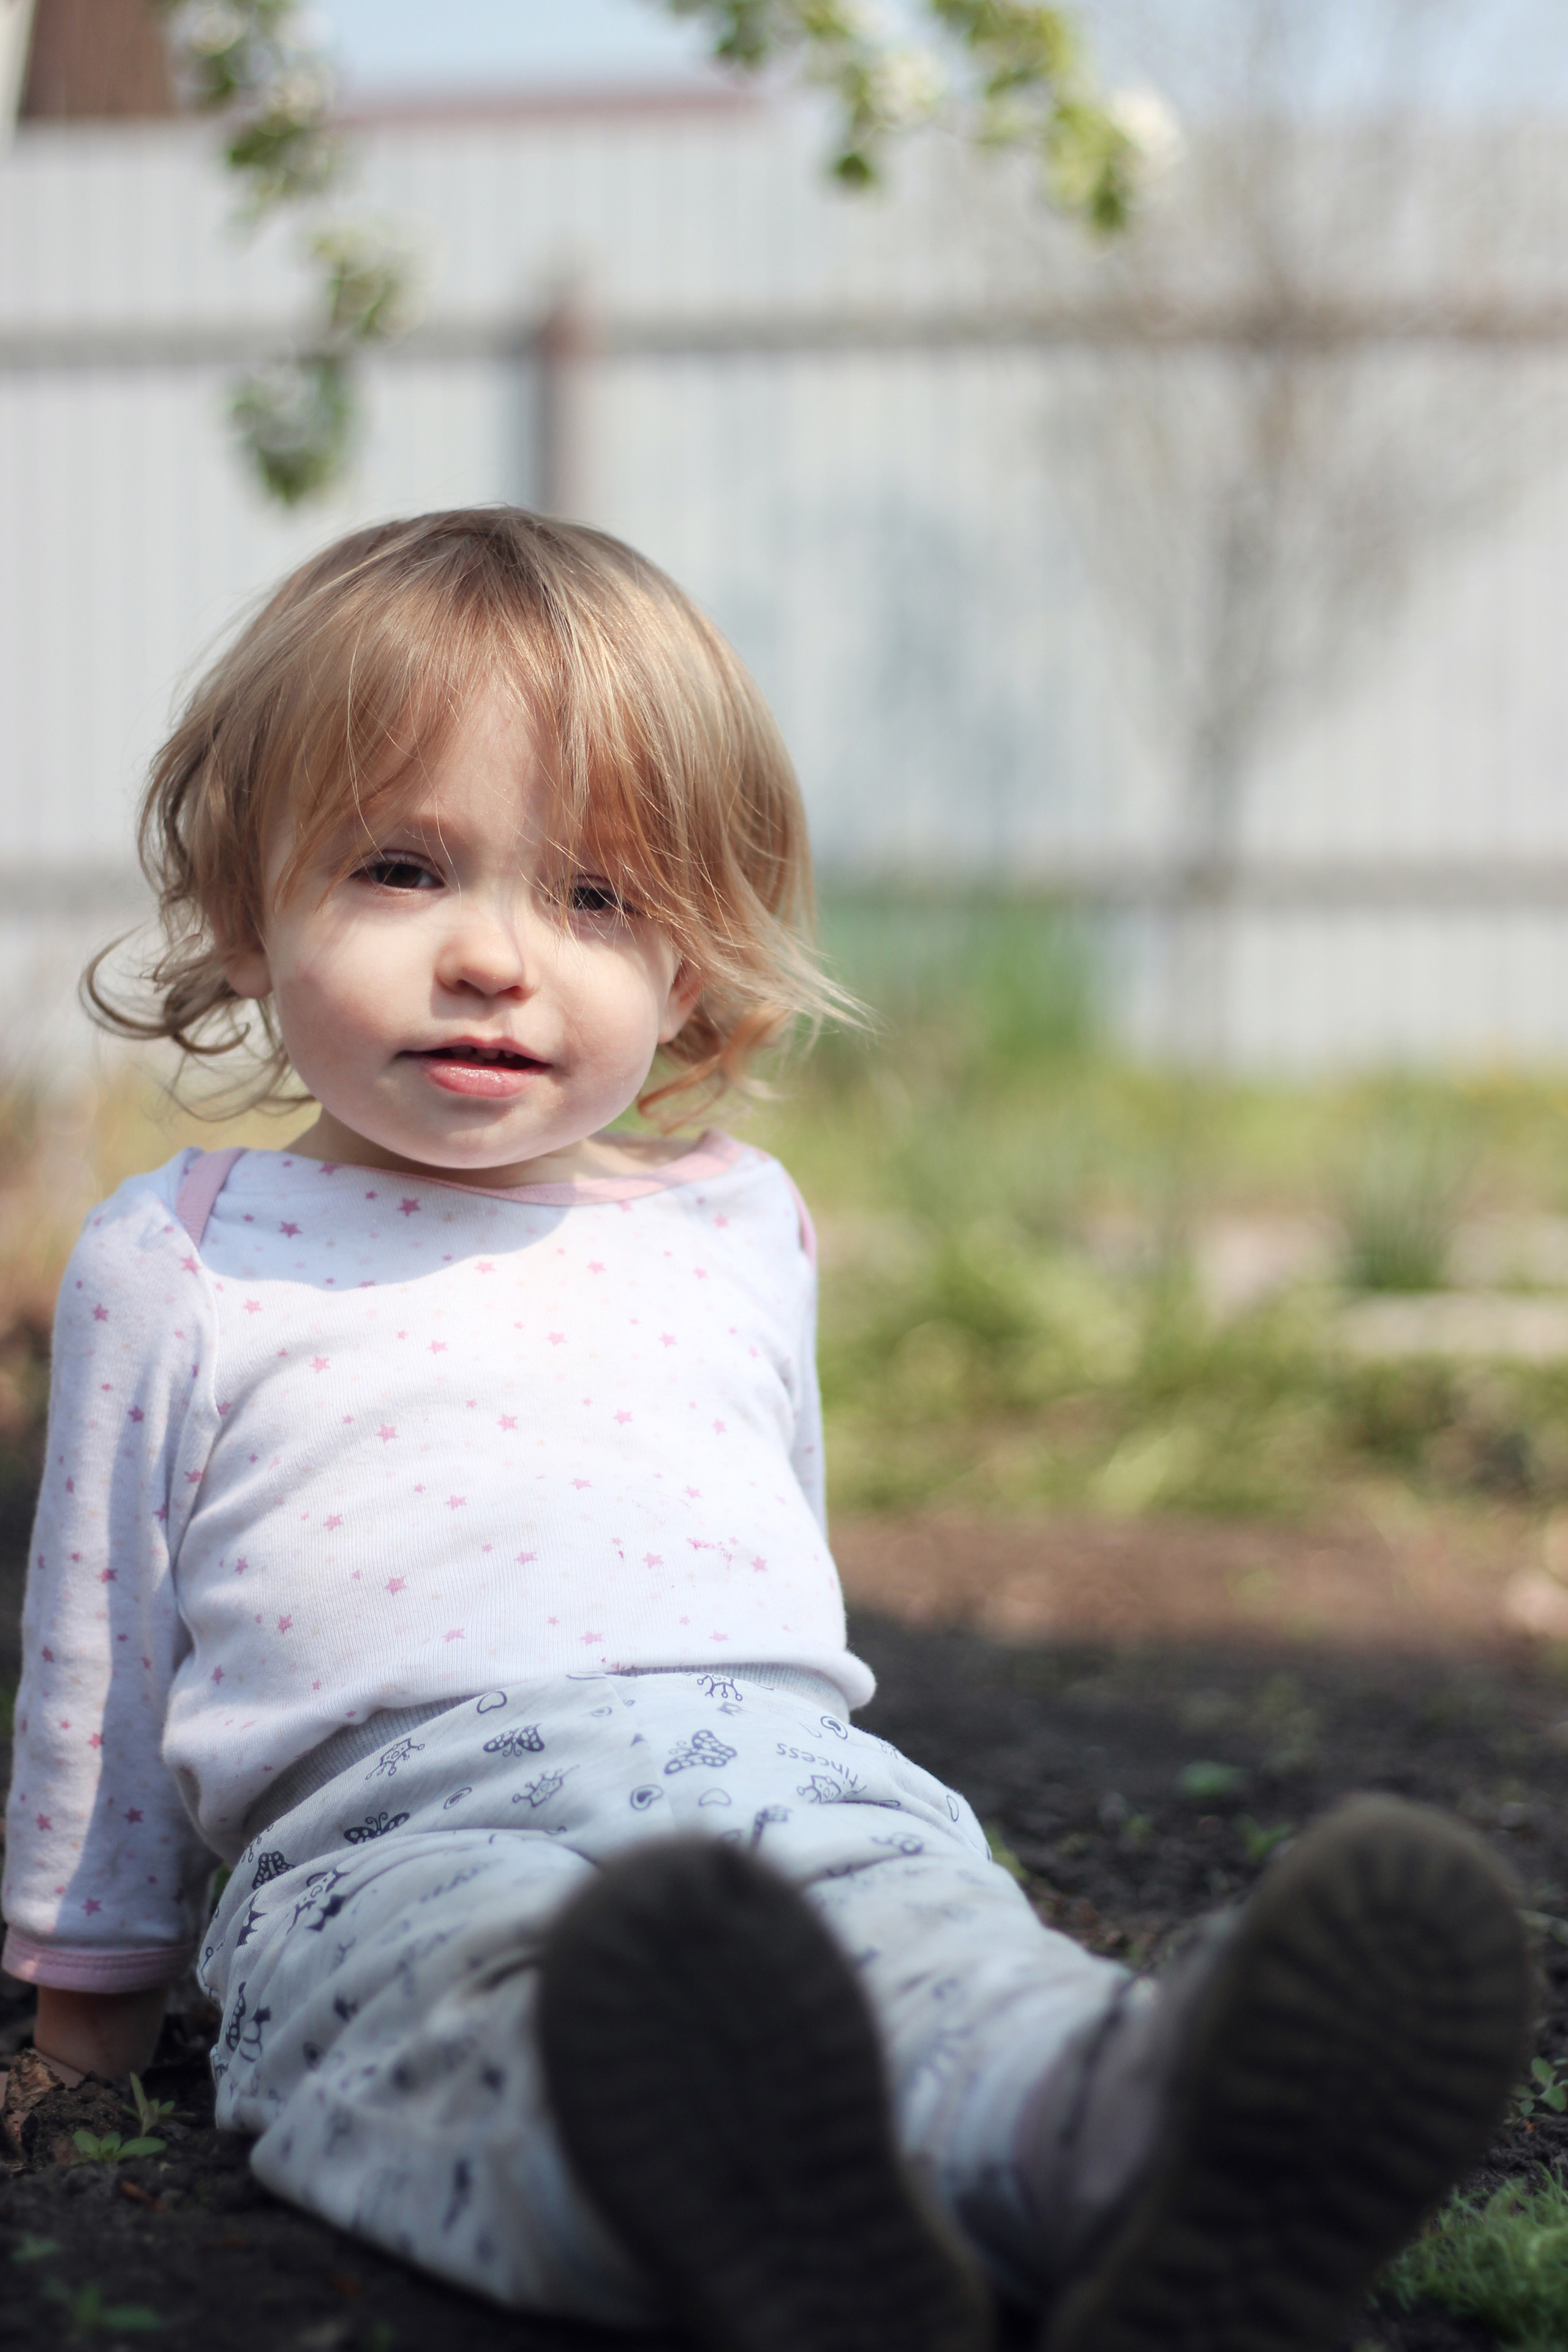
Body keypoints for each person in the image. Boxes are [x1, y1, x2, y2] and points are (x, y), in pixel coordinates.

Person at [0, 509, 1531, 2352]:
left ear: (693, 963)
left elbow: (774, 1552)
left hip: (795, 1788)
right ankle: (728, 2206)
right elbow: (105, 1653)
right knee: (483, 2020)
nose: (497, 957)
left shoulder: (738, 1222)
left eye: (594, 899)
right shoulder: (187, 1257)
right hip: (399, 1830)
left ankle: (1140, 2144)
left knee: (935, 1961)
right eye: (406, 868)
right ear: (250, 908)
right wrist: (87, 2011)